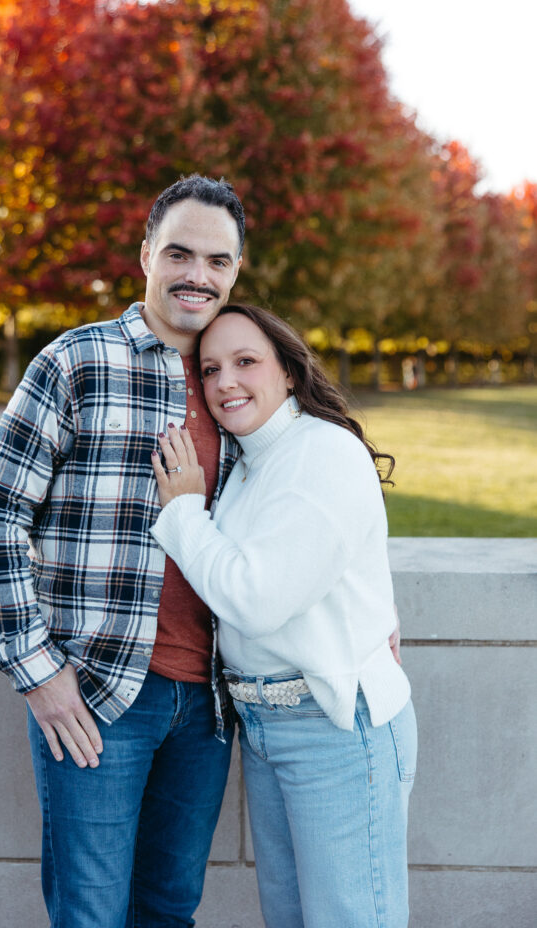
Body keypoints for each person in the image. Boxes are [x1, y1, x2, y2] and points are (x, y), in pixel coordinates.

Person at [0, 174, 246, 928]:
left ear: (234, 271)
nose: (197, 274)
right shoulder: (76, 361)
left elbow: (309, 498)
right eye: (179, 253)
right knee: (90, 913)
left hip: (209, 702)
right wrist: (38, 673)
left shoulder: (239, 379)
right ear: (146, 255)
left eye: (216, 261)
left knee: (169, 910)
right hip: (96, 692)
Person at [150, 304, 417, 928]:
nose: (225, 382)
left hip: (334, 723)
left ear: (289, 372)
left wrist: (183, 512)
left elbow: (256, 600)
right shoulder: (250, 463)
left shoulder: (321, 451)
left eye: (246, 362)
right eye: (210, 369)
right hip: (265, 725)